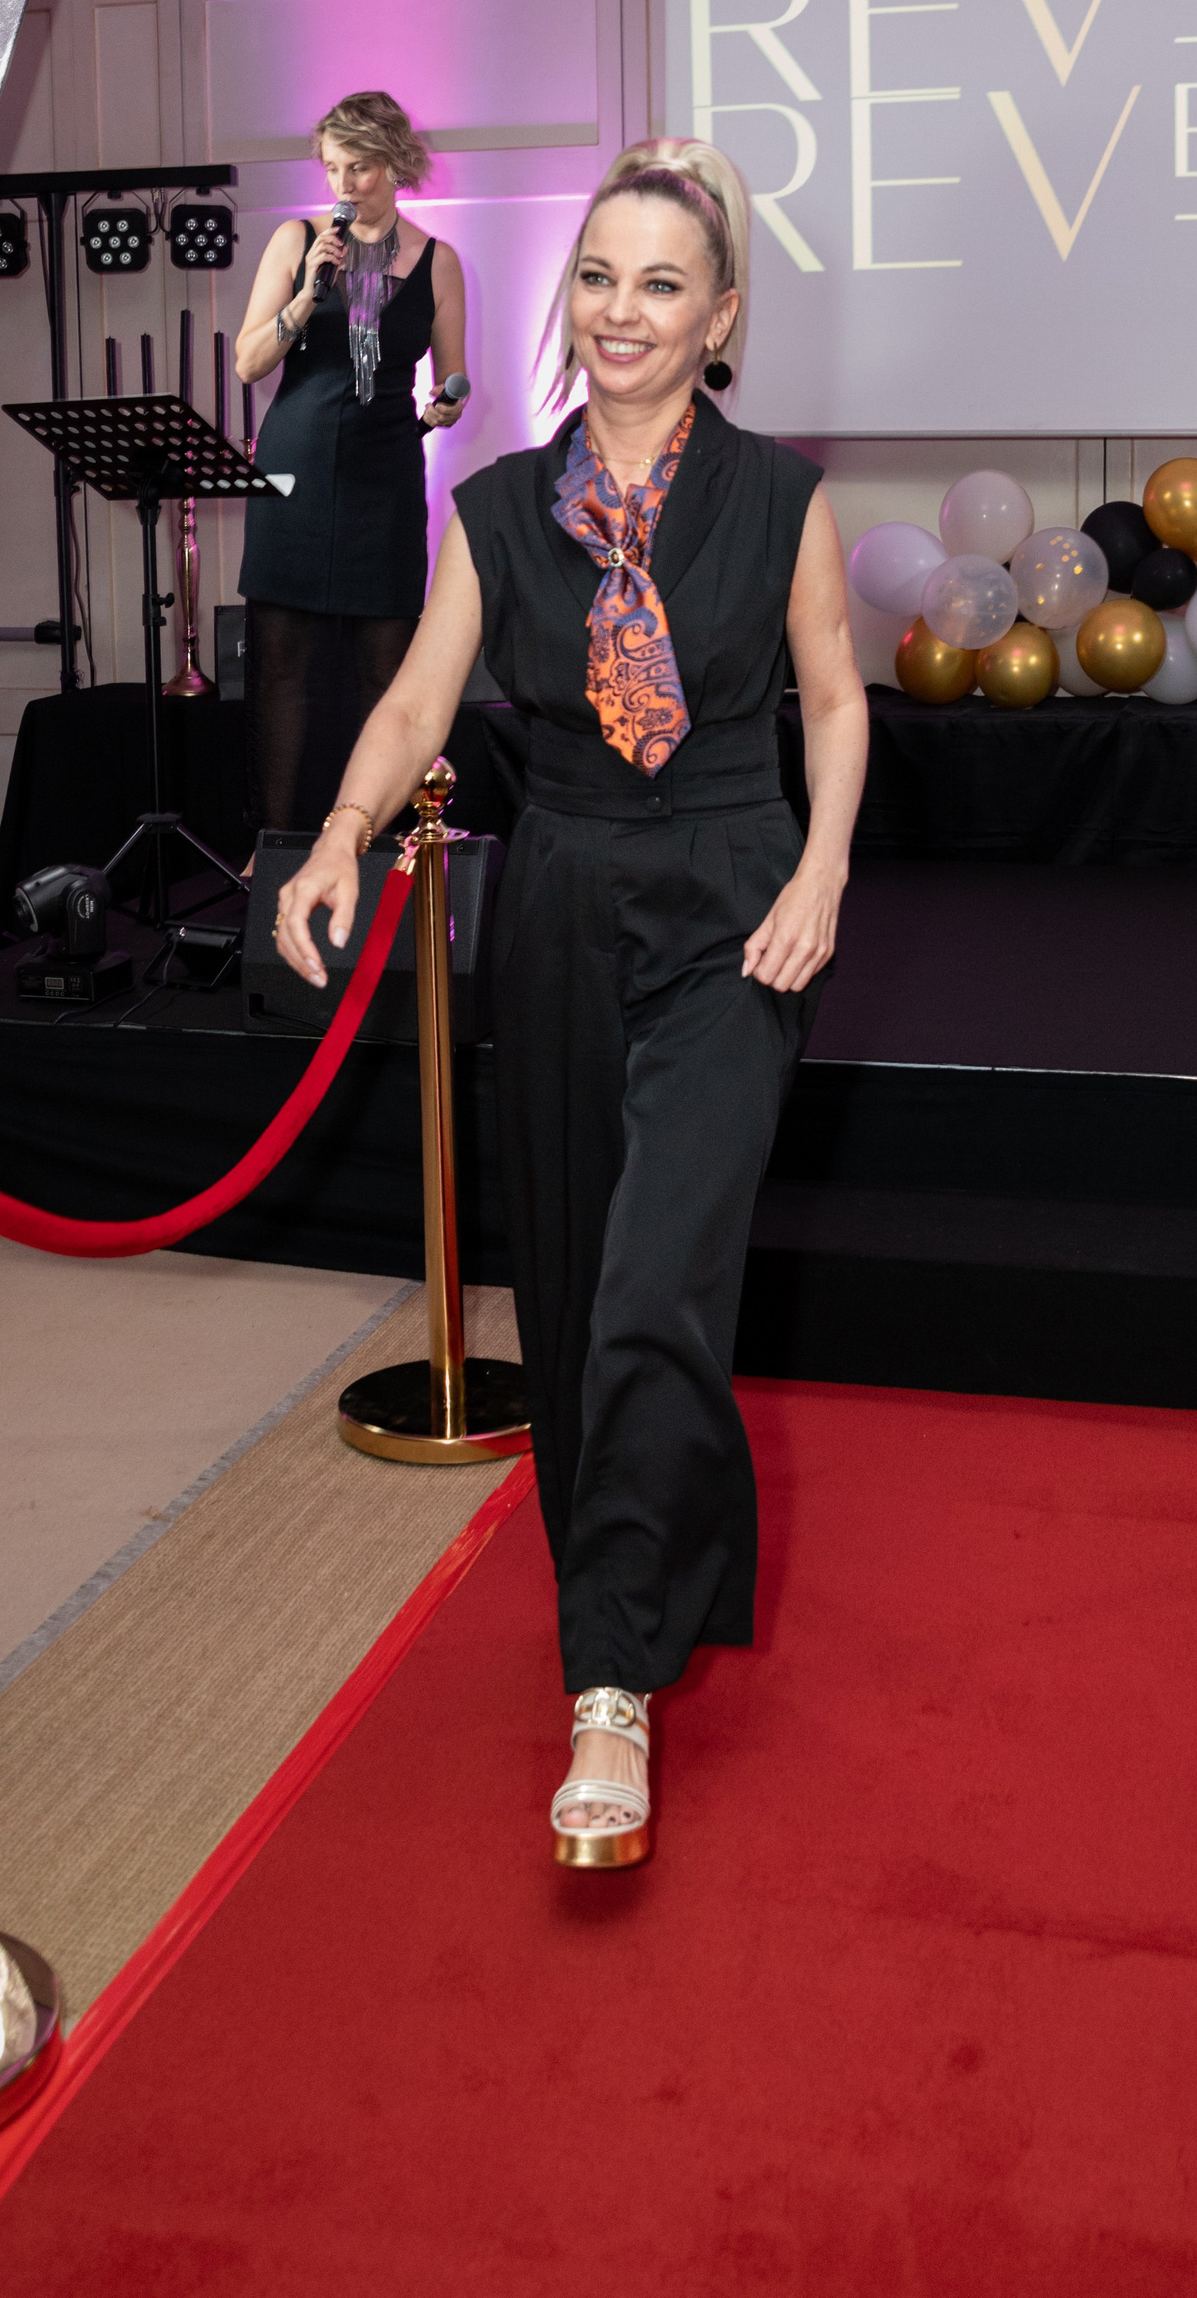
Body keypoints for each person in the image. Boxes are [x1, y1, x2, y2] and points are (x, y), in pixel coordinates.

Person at [272, 138, 868, 1869]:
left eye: (661, 284)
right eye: (598, 277)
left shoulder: (782, 499)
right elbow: (414, 703)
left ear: (720, 318)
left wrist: (825, 874)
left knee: (656, 1284)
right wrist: (338, 837)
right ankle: (685, 1564)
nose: (621, 310)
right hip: (560, 905)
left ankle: (609, 1682)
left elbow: (836, 700)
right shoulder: (498, 507)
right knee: (577, 1287)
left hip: (738, 912)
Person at [232, 91, 468, 836]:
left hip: (384, 476)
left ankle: (375, 843)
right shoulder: (296, 240)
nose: (344, 184)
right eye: (333, 168)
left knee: (386, 671)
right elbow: (248, 363)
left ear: (395, 164)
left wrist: (447, 404)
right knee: (279, 668)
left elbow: (453, 379)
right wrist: (307, 296)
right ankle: (271, 844)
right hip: (294, 471)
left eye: (359, 167)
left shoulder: (438, 261)